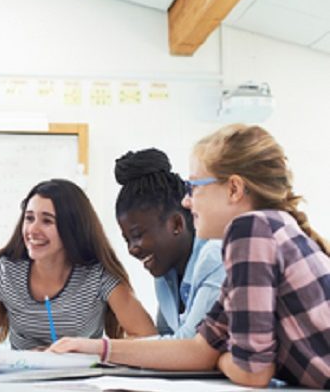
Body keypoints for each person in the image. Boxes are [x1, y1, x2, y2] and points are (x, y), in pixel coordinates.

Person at [49, 124, 330, 389]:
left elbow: (253, 372)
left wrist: (221, 360)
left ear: (234, 189)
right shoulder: (267, 230)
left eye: (194, 187)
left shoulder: (251, 230)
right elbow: (200, 347)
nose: (186, 201)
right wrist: (95, 347)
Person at [0, 179, 156, 350]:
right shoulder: (2, 271)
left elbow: (148, 338)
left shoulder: (98, 276)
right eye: (29, 219)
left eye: (47, 221)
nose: (33, 230)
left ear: (72, 228)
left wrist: (85, 350)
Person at [114, 148, 225, 338]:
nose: (132, 249)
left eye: (137, 235)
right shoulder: (165, 275)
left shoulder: (215, 258)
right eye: (127, 240)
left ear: (176, 224)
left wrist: (107, 349)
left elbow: (188, 345)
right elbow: (165, 336)